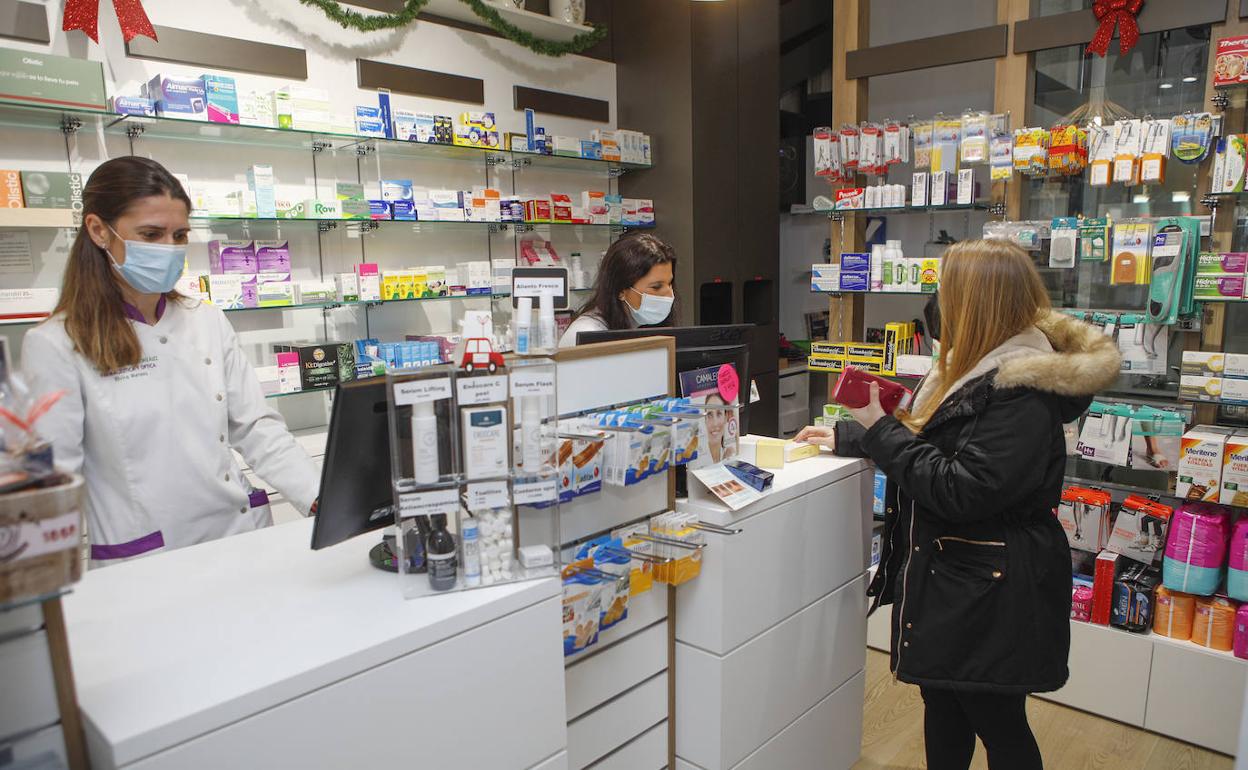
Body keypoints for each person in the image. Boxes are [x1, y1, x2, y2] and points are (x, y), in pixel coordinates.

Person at [796, 240, 1120, 770]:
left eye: (945, 292)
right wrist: (850, 437)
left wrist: (877, 427)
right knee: (944, 700)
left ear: (975, 303)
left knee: (997, 722)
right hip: (962, 576)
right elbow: (934, 439)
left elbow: (961, 488)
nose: (936, 305)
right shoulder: (975, 366)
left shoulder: (1019, 387)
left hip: (991, 585)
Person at [21, 156, 320, 566]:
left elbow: (256, 428)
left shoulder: (206, 319)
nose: (169, 250)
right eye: (151, 234)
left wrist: (322, 498)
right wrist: (50, 597)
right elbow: (54, 486)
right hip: (145, 562)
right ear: (98, 230)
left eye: (179, 235)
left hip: (241, 540)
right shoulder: (57, 343)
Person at [558, 233, 676, 348]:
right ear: (621, 290)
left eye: (669, 283)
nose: (669, 295)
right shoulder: (588, 333)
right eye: (656, 287)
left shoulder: (638, 326)